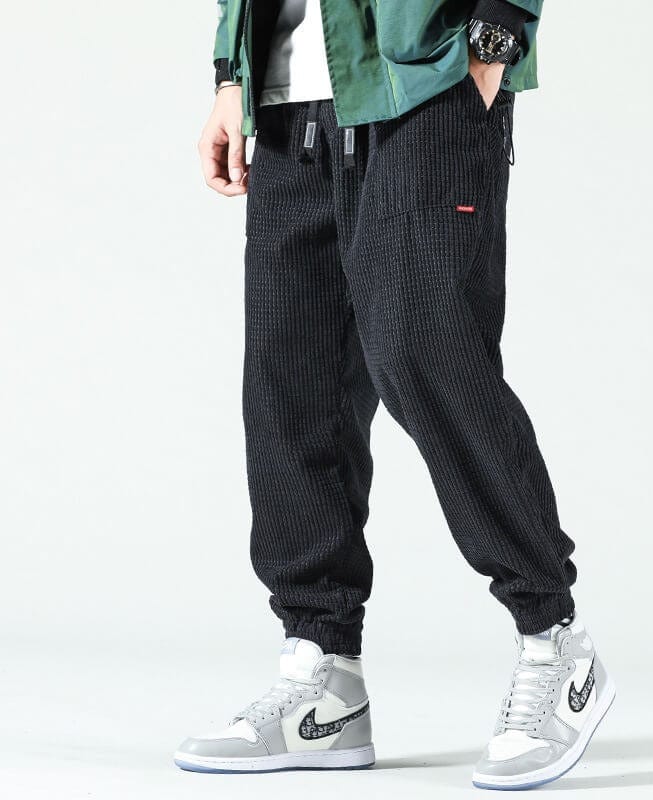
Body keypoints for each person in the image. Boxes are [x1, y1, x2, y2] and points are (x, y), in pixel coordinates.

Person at [175, 0, 615, 789]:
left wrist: (492, 43)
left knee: (424, 354)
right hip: (286, 98)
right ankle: (324, 673)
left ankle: (556, 638)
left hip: (425, 80)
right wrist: (230, 74)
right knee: (290, 383)